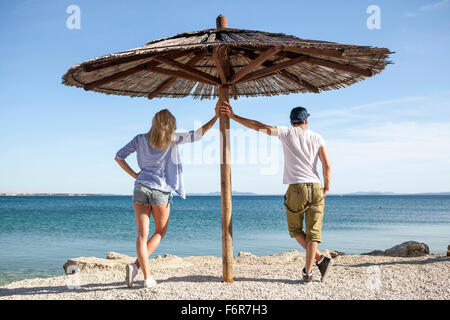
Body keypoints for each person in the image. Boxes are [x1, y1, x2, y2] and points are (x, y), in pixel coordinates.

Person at [219, 102, 333, 284]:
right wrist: (326, 186)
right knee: (314, 233)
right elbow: (326, 165)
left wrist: (234, 117)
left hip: (297, 187)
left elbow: (259, 127)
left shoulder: (286, 133)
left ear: (291, 121)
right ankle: (309, 271)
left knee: (295, 230)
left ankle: (320, 260)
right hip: (316, 186)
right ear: (306, 121)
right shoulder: (318, 137)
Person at [115, 104, 220, 288]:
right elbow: (198, 134)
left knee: (141, 234)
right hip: (160, 191)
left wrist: (134, 175)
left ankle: (143, 274)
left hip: (140, 187)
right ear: (171, 125)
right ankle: (139, 271)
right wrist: (216, 116)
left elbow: (119, 156)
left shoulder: (140, 139)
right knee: (160, 232)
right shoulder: (172, 139)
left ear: (154, 123)